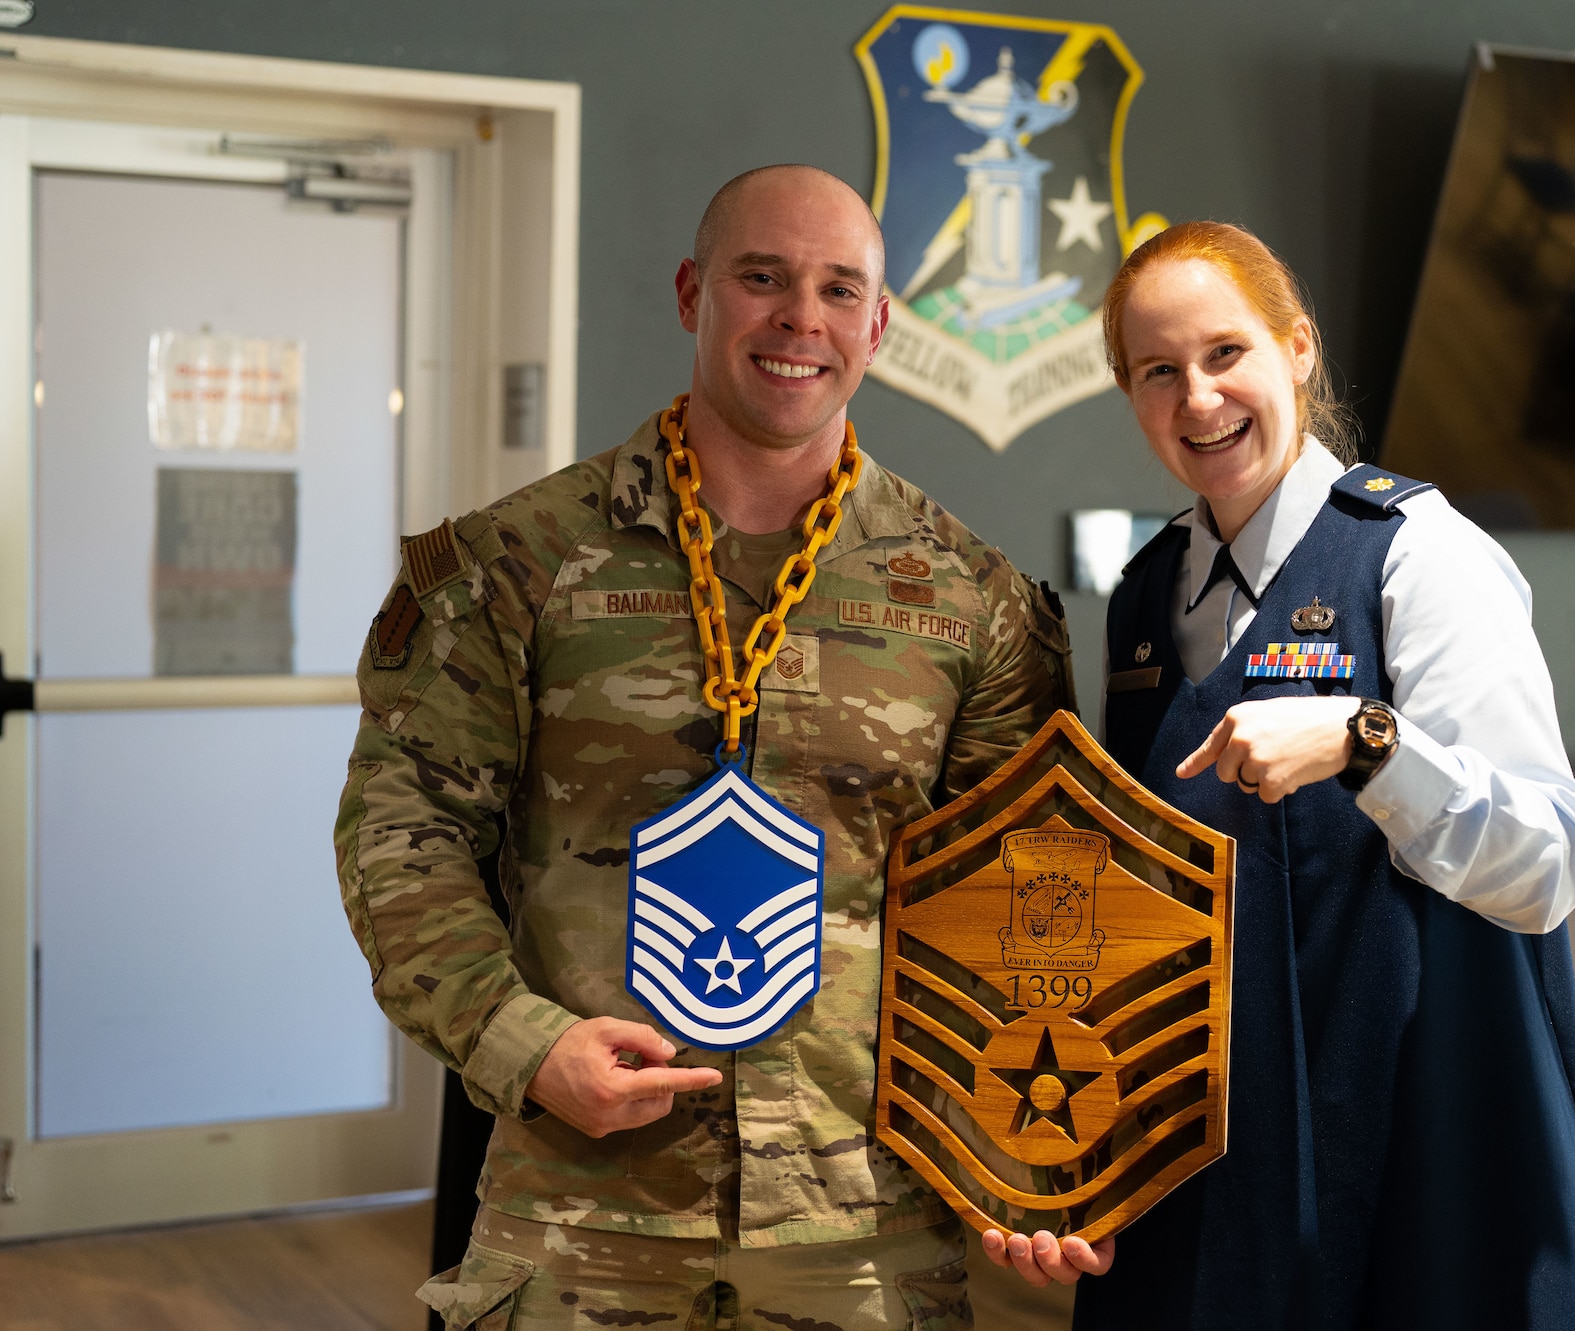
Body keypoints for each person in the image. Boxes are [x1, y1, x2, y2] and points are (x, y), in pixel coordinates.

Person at [335, 164, 1077, 1331]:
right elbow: (403, 833)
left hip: (864, 1217)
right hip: (579, 1208)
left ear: (878, 325)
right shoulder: (515, 564)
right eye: (762, 278)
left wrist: (1043, 1146)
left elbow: (1024, 897)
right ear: (692, 293)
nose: (800, 319)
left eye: (839, 289)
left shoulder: (969, 598)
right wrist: (520, 1041)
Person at [981, 220, 1575, 1327]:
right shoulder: (1144, 597)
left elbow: (1548, 862)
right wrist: (1067, 1155)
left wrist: (1366, 742)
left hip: (1407, 1150)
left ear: (1298, 349)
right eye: (1157, 371)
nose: (1198, 398)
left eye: (1225, 352)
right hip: (1212, 1162)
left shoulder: (1418, 556)